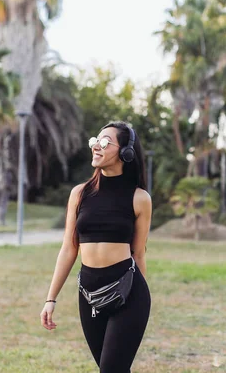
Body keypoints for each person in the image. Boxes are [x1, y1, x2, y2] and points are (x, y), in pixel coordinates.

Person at [40, 121, 152, 373]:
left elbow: (139, 252)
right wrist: (51, 298)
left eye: (104, 142)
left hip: (129, 293)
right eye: (94, 141)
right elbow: (69, 248)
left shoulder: (139, 198)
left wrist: (140, 307)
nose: (95, 147)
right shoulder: (80, 194)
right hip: (89, 294)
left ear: (126, 152)